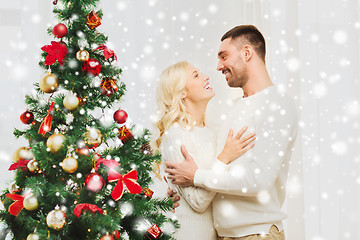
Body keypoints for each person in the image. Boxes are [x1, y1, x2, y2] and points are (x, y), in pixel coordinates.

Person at [165, 25, 299, 240]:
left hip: (256, 234)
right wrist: (175, 192)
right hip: (221, 235)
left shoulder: (277, 105)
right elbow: (212, 162)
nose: (219, 66)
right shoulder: (228, 109)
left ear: (247, 53)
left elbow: (258, 180)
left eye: (224, 56)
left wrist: (197, 177)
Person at [155, 61, 256, 239]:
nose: (206, 76)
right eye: (196, 75)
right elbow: (198, 202)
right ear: (182, 92)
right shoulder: (176, 135)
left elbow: (221, 185)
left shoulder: (211, 133)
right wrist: (225, 157)